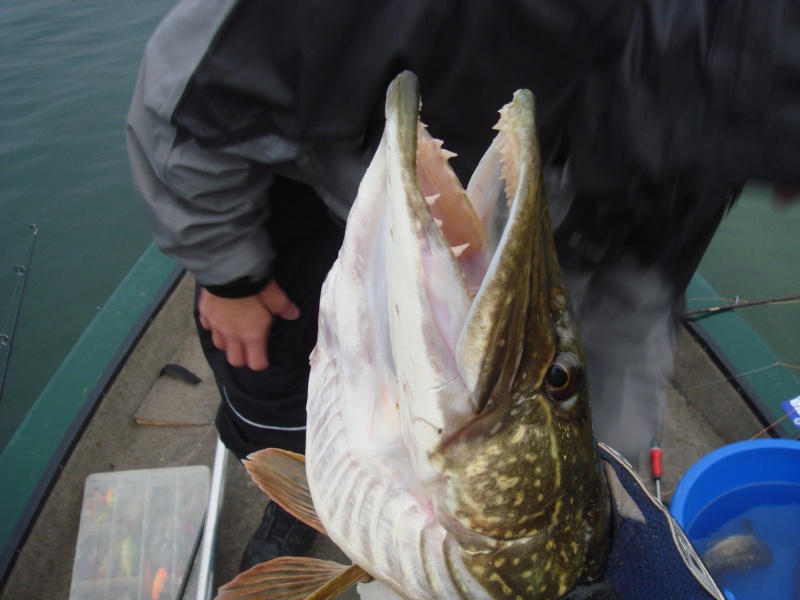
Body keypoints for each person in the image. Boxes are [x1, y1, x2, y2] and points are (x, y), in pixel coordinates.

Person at [127, 0, 800, 573]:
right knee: (273, 382)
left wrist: (593, 490)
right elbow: (193, 103)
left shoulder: (742, 103)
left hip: (590, 243)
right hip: (342, 208)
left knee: (567, 452)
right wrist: (227, 272)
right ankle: (301, 498)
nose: (778, 193)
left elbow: (635, 308)